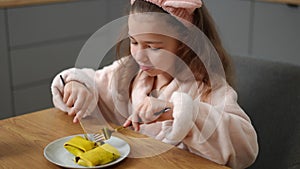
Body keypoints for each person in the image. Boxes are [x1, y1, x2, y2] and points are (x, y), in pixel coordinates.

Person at [51, 0, 258, 168]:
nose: (139, 56)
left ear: (185, 44)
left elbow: (246, 148)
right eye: (134, 42)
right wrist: (77, 85)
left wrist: (175, 111)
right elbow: (93, 81)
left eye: (153, 47)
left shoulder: (208, 88)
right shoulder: (129, 73)